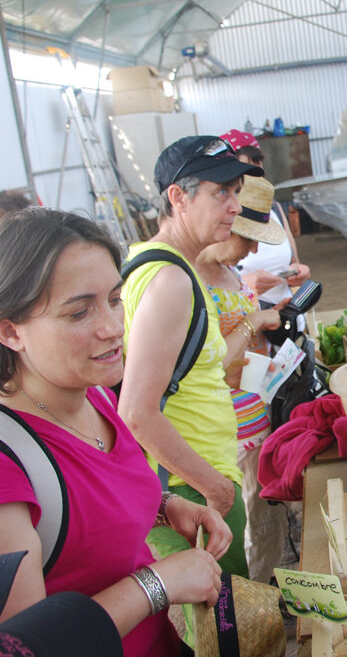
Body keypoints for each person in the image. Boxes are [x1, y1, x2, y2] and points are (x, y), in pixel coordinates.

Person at [0, 208, 231, 656]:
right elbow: (24, 647)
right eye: (78, 313)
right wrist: (156, 584)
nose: (111, 328)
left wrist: (166, 505)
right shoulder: (10, 464)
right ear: (11, 332)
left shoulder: (95, 396)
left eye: (113, 299)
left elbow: (87, 506)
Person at [118, 137, 281, 595]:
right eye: (221, 193)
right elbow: (136, 411)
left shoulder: (168, 267)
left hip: (195, 481)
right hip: (191, 486)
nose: (234, 206)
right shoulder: (170, 280)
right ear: (178, 197)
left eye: (236, 192)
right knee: (220, 628)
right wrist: (217, 490)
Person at [195, 174, 290, 582]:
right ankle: (246, 606)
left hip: (257, 405)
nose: (253, 249)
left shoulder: (230, 270)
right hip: (231, 427)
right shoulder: (191, 284)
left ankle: (263, 593)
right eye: (246, 238)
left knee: (266, 515)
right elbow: (214, 363)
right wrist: (254, 321)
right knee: (247, 522)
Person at [219, 129, 311, 312]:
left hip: (286, 315)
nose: (255, 179)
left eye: (257, 169)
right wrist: (243, 286)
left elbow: (293, 258)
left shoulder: (273, 208)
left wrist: (299, 272)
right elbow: (208, 285)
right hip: (249, 320)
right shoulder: (223, 218)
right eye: (246, 171)